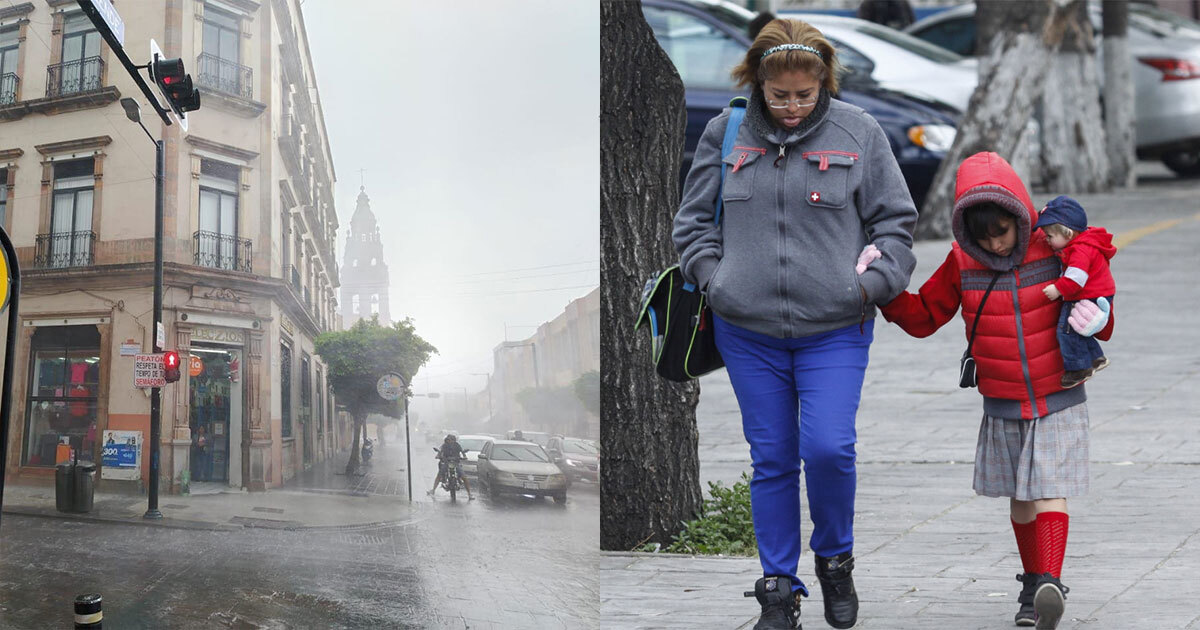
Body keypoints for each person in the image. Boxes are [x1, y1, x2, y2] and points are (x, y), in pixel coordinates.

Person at [672, 17, 918, 630]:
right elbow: (693, 222)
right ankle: (779, 590)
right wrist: (714, 280)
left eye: (803, 95)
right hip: (747, 331)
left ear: (822, 82)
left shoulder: (859, 131)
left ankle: (835, 560)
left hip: (836, 327)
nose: (790, 107)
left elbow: (896, 222)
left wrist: (872, 285)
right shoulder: (724, 133)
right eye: (778, 95)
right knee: (774, 458)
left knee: (829, 449)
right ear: (757, 81)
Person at [877, 152, 1114, 630]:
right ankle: (1033, 586)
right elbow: (925, 316)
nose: (996, 245)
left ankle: (1050, 578)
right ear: (967, 229)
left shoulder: (1054, 250)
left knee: (1050, 488)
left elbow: (1096, 296)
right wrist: (881, 290)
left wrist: (1101, 318)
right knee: (1020, 496)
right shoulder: (962, 262)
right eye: (984, 236)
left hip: (1059, 392)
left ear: (1020, 216)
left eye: (1002, 232)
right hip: (1003, 399)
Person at [1035, 195, 1116, 388]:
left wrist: (1057, 289)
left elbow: (1076, 278)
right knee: (1081, 328)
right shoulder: (1080, 244)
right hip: (1096, 292)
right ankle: (1096, 357)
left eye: (1050, 236)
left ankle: (1078, 369)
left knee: (1067, 329)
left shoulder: (1081, 250)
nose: (1046, 240)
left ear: (1068, 233)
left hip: (1090, 293)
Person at [427, 434, 473, 500]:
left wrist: (464, 456)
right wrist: (438, 456)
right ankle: (433, 490)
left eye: (452, 439)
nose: (450, 441)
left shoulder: (457, 445)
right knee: (439, 475)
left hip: (455, 463)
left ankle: (469, 494)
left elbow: (462, 451)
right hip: (447, 463)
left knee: (464, 477)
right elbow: (440, 451)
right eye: (449, 439)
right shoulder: (444, 446)